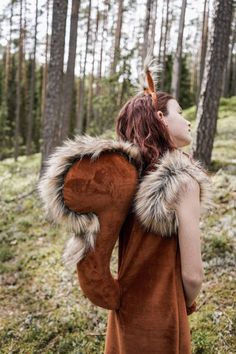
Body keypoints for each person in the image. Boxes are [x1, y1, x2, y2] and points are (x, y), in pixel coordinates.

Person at [38, 56, 213, 353]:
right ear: (160, 118)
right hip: (165, 315)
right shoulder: (182, 182)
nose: (187, 120)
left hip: (123, 310)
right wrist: (181, 303)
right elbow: (193, 274)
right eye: (179, 112)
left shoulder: (125, 180)